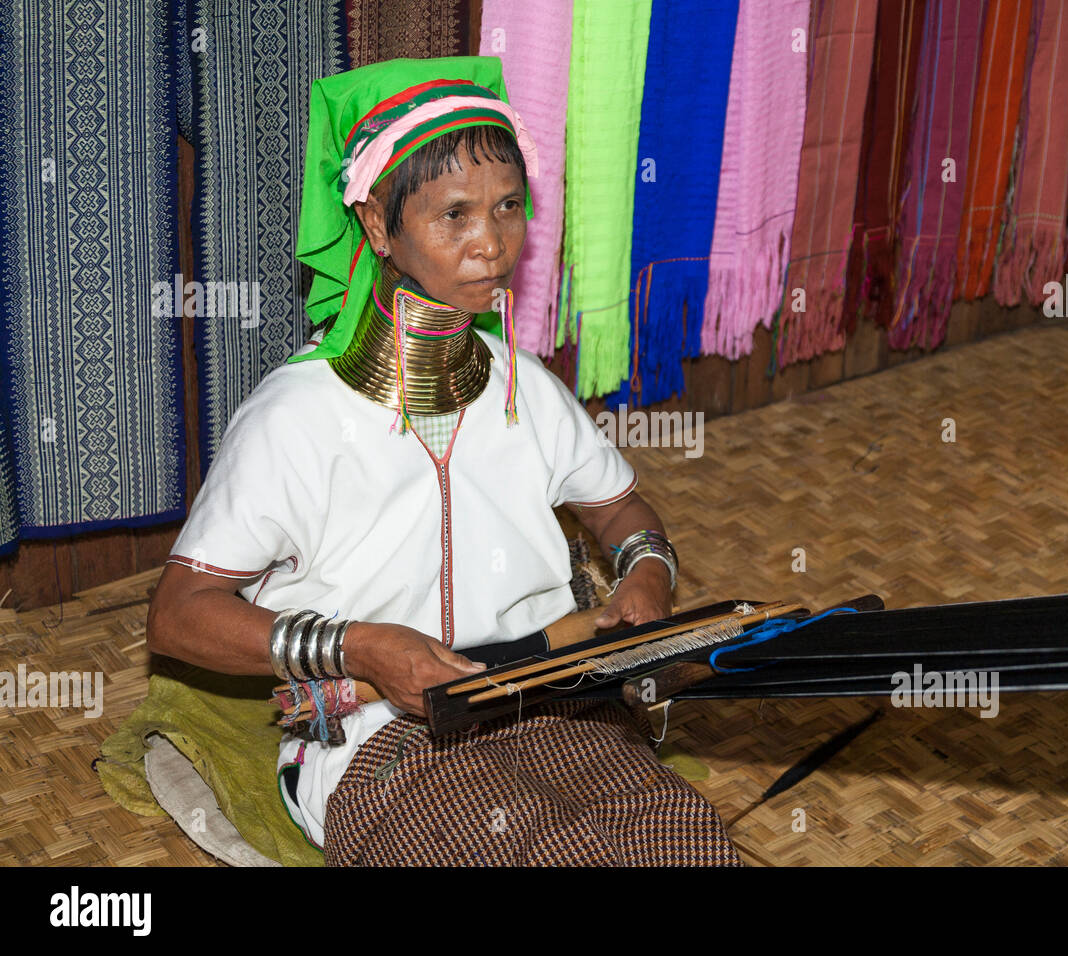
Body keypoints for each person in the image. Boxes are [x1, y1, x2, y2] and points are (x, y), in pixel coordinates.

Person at [146, 56, 742, 866]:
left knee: (687, 839)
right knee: (549, 851)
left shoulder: (524, 387)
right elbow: (179, 613)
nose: (490, 243)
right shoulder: (297, 415)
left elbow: (621, 510)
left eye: (506, 207)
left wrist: (646, 574)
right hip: (377, 741)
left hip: (548, 700)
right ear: (378, 230)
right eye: (452, 215)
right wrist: (362, 649)